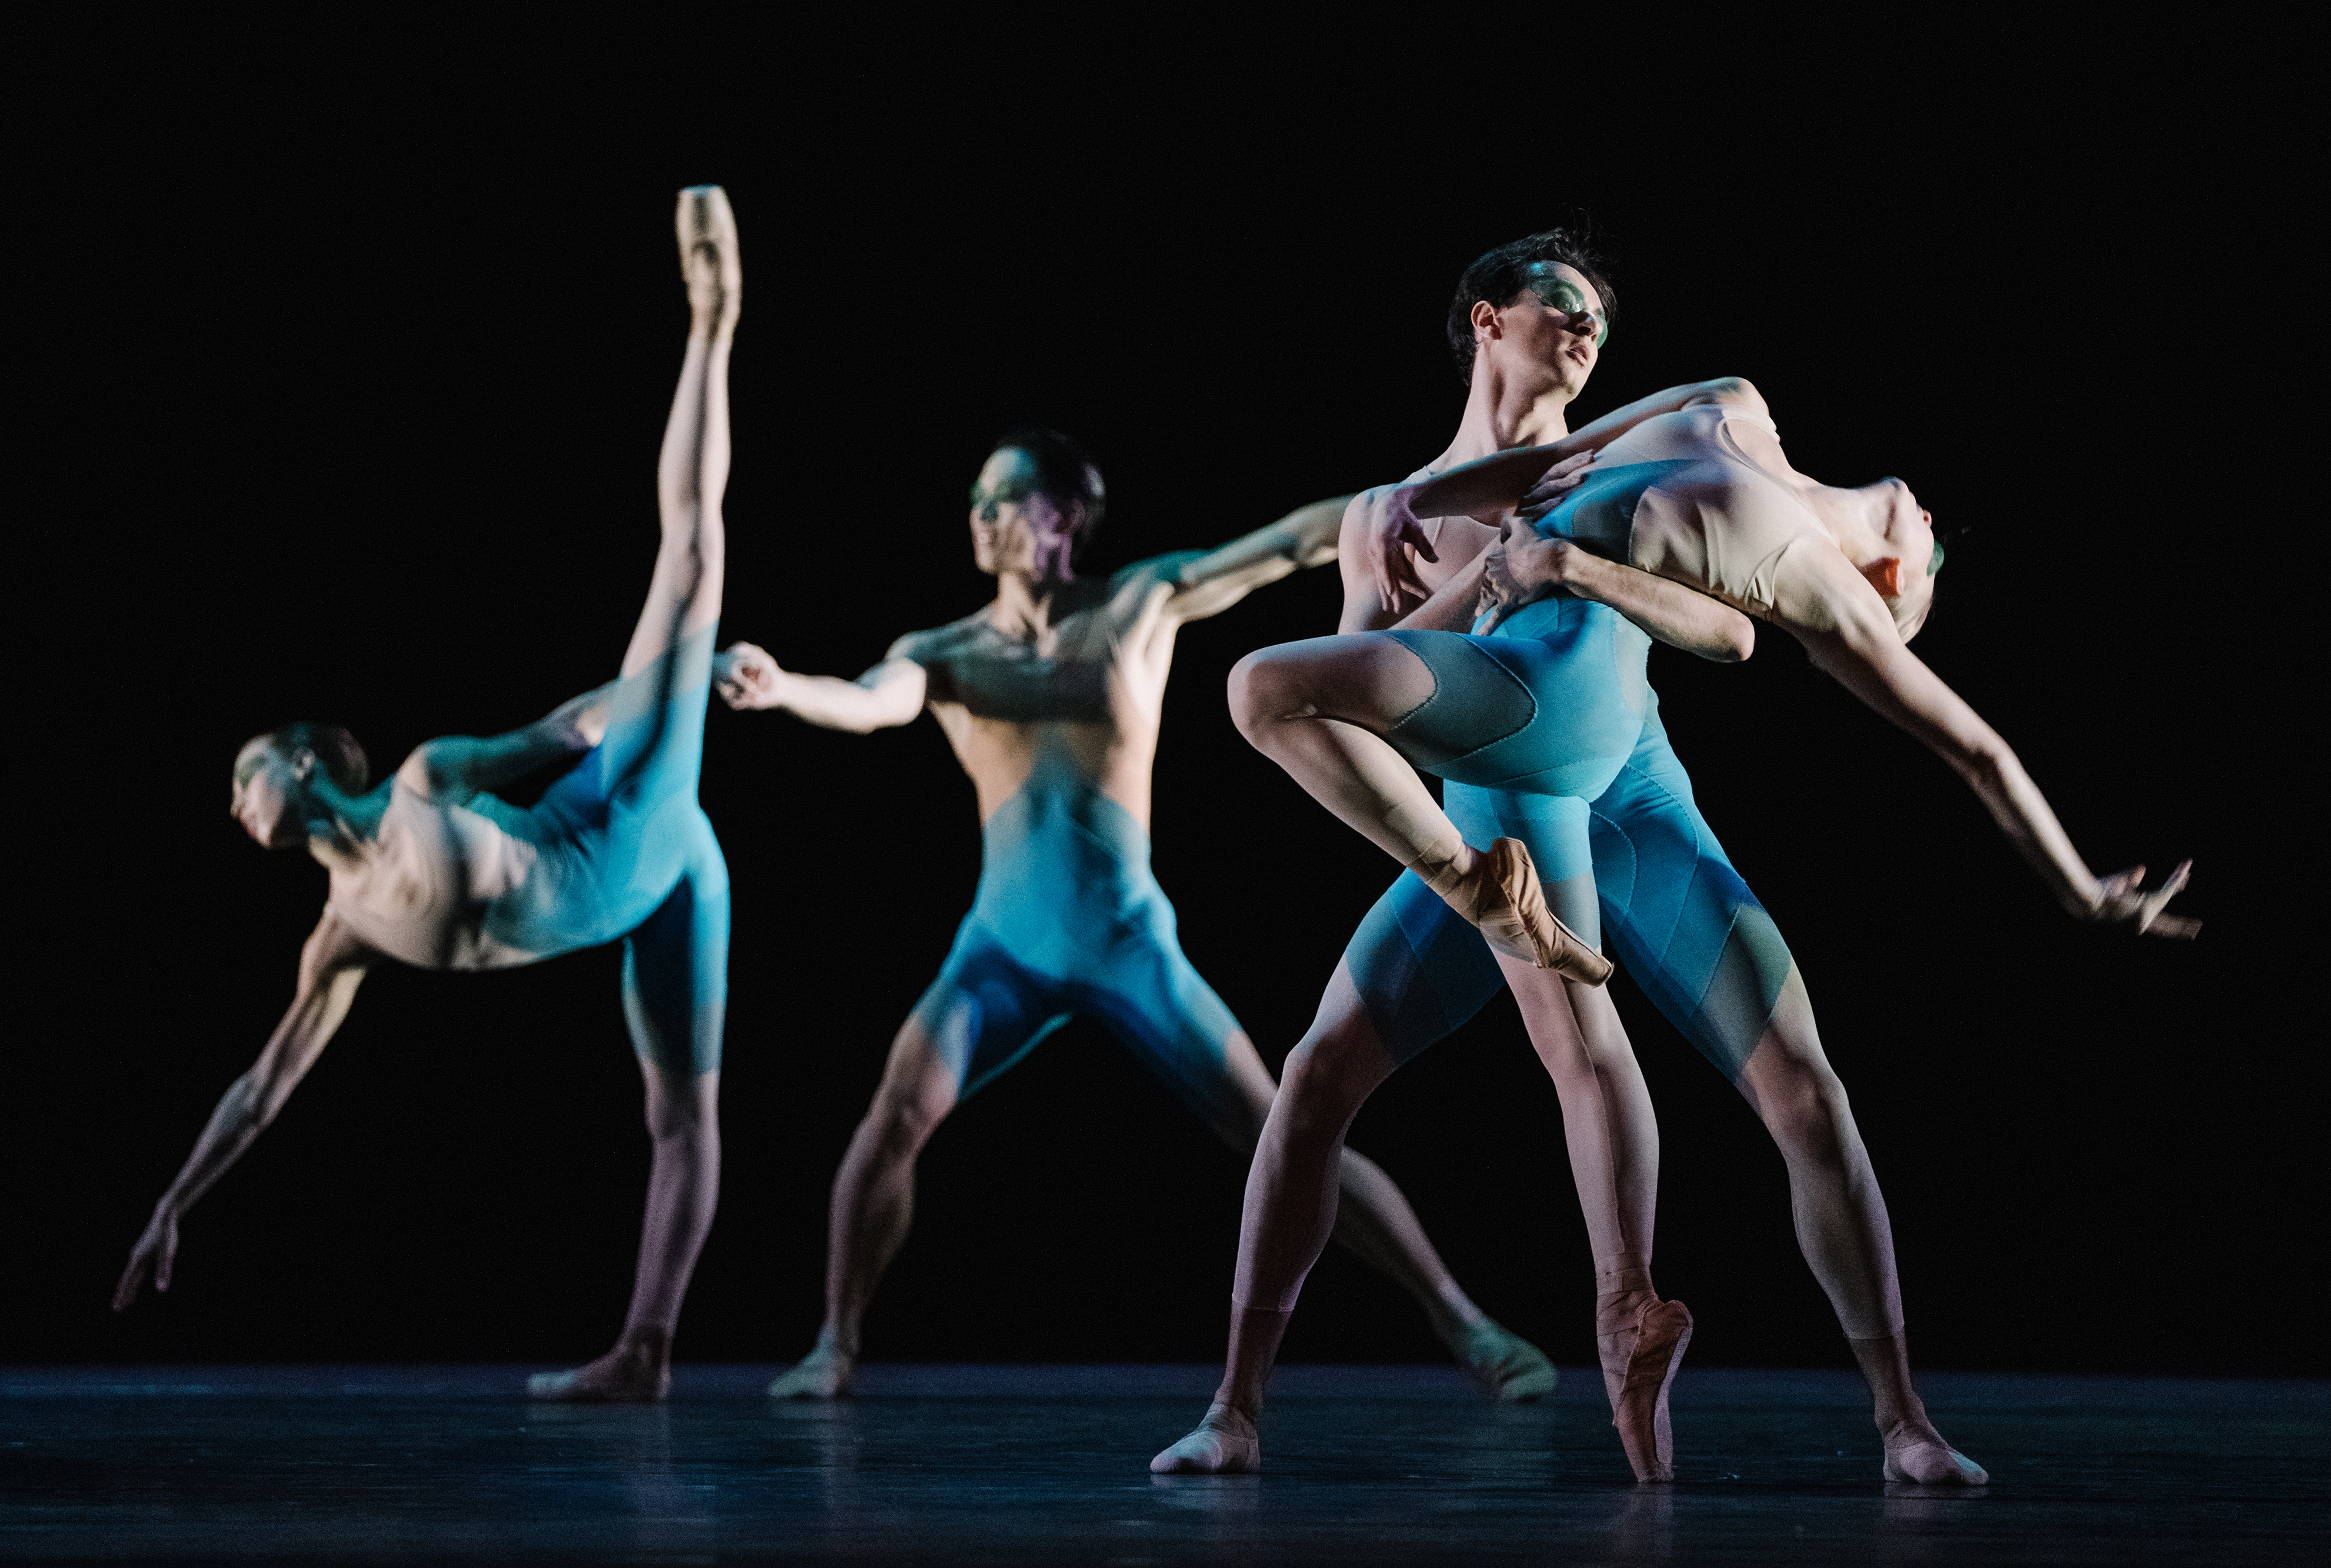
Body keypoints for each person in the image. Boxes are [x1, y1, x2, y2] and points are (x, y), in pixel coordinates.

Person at [1158, 230, 2188, 1486]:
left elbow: (1736, 636)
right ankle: (1239, 1408)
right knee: (1322, 1077)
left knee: (1783, 1086)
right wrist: (1425, 523)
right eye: (1560, 303)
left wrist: (2079, 885)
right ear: (1487, 317)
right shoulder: (1668, 422)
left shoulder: (1747, 523)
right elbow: (1379, 694)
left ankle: (1896, 1417)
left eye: (1597, 315)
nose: (1585, 328)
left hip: (1625, 789)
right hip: (1494, 805)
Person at [711, 428, 1558, 1402]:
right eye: (977, 502)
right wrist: (784, 689)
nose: (981, 518)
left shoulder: (1137, 603)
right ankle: (836, 1342)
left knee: (1283, 1118)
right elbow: (869, 701)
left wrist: (1417, 504)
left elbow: (1283, 544)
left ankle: (1470, 1323)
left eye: (1002, 498)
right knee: (895, 1115)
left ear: (1060, 514)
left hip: (1127, 943)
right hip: (1002, 951)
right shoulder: (941, 652)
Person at [114, 186, 745, 1405]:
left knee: (690, 557)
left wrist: (675, 677)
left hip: (631, 819)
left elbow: (561, 729)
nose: (235, 795)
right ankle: (645, 1353)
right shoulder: (340, 933)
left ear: (301, 763)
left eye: (246, 769)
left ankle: (711, 317)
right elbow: (263, 1087)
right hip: (643, 902)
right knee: (675, 1116)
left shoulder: (422, 780)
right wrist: (171, 1204)